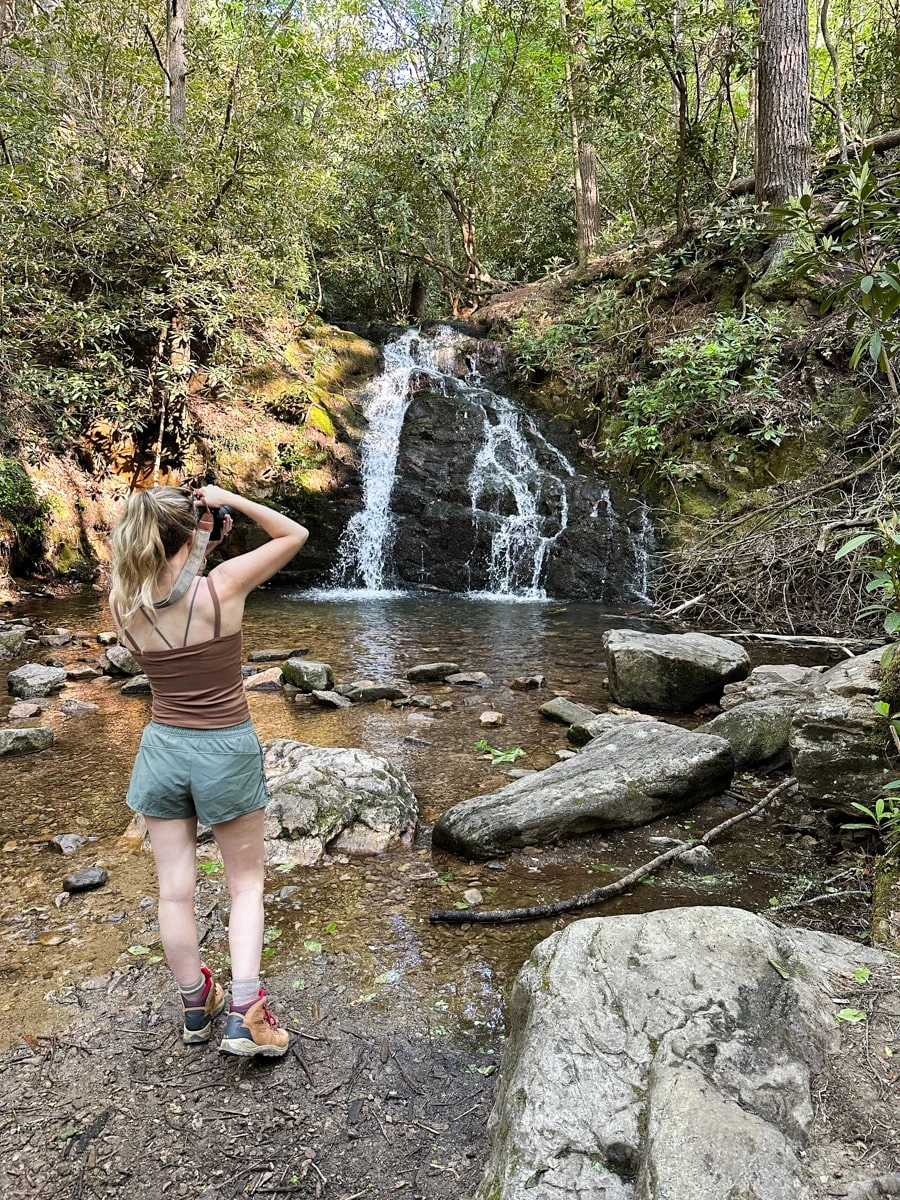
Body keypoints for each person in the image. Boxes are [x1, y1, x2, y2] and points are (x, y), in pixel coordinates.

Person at [109, 484, 308, 1057]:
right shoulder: (224, 588)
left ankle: (198, 1004)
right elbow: (294, 534)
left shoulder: (125, 601)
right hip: (225, 749)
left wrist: (196, 538)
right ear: (184, 534)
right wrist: (232, 500)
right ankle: (247, 1014)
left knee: (175, 892)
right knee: (245, 884)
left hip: (163, 751)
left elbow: (172, 585)